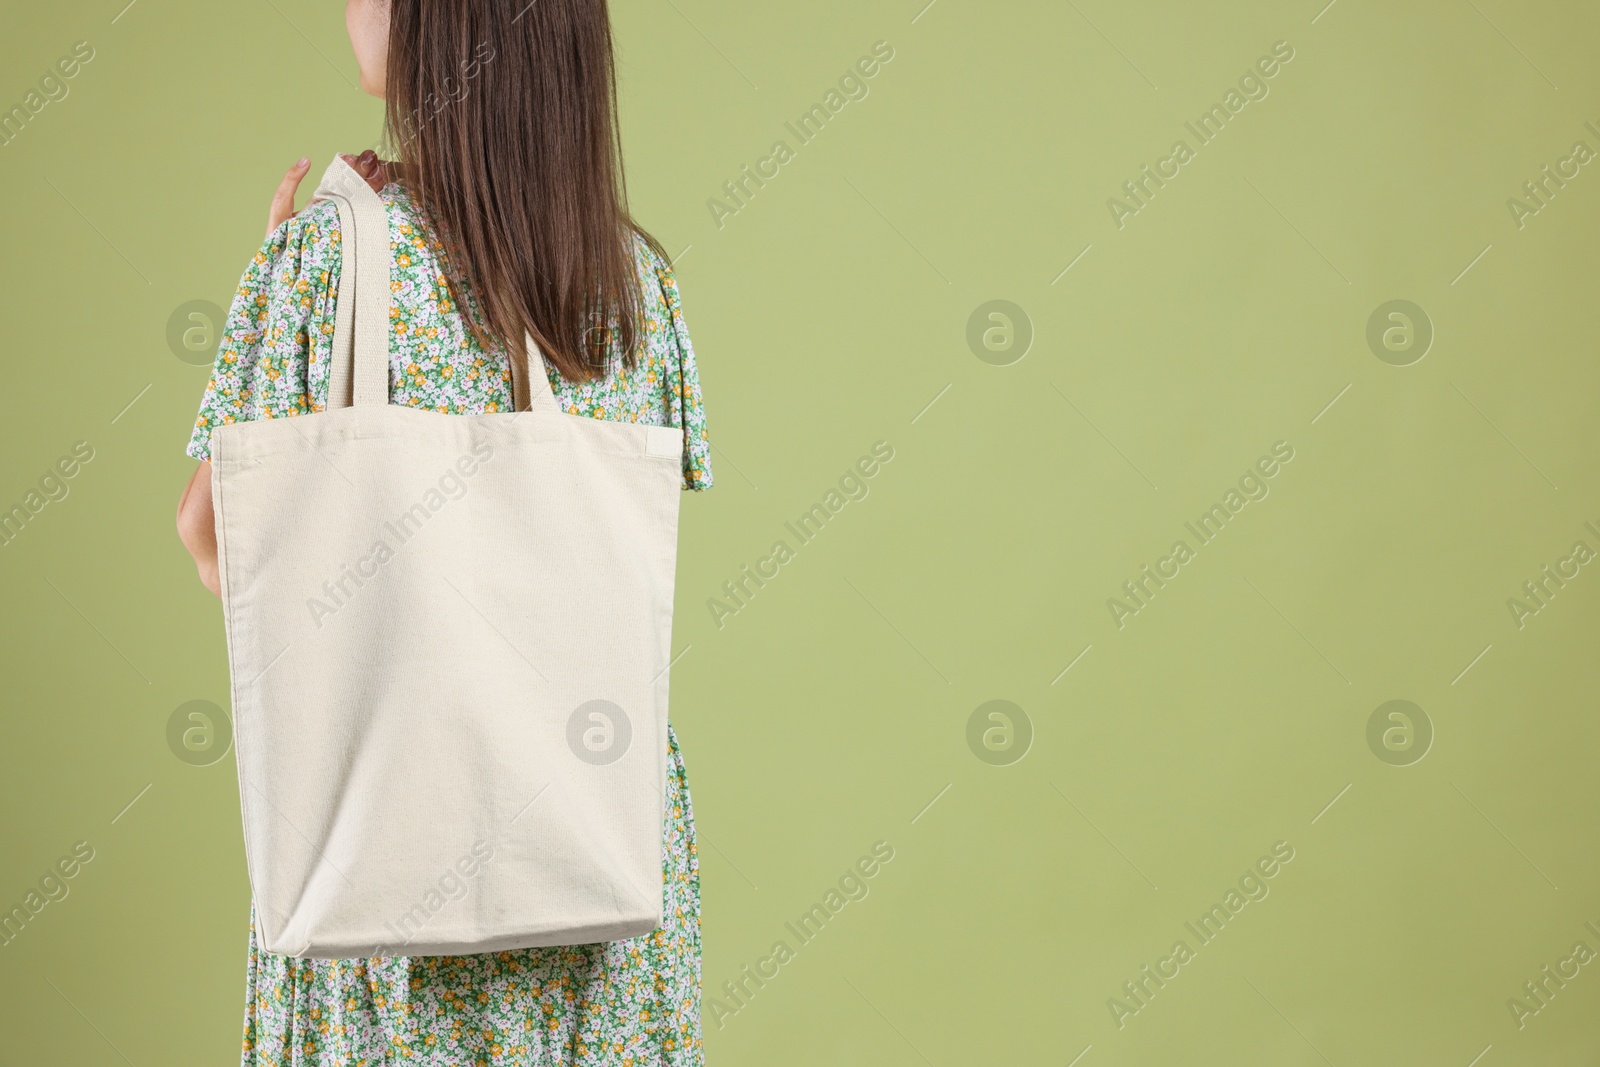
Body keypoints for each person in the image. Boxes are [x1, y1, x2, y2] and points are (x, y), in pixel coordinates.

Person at [174, 2, 712, 1063]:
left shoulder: (328, 258)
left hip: (387, 869)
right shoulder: (636, 282)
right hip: (597, 862)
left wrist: (279, 265)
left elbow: (217, 546)